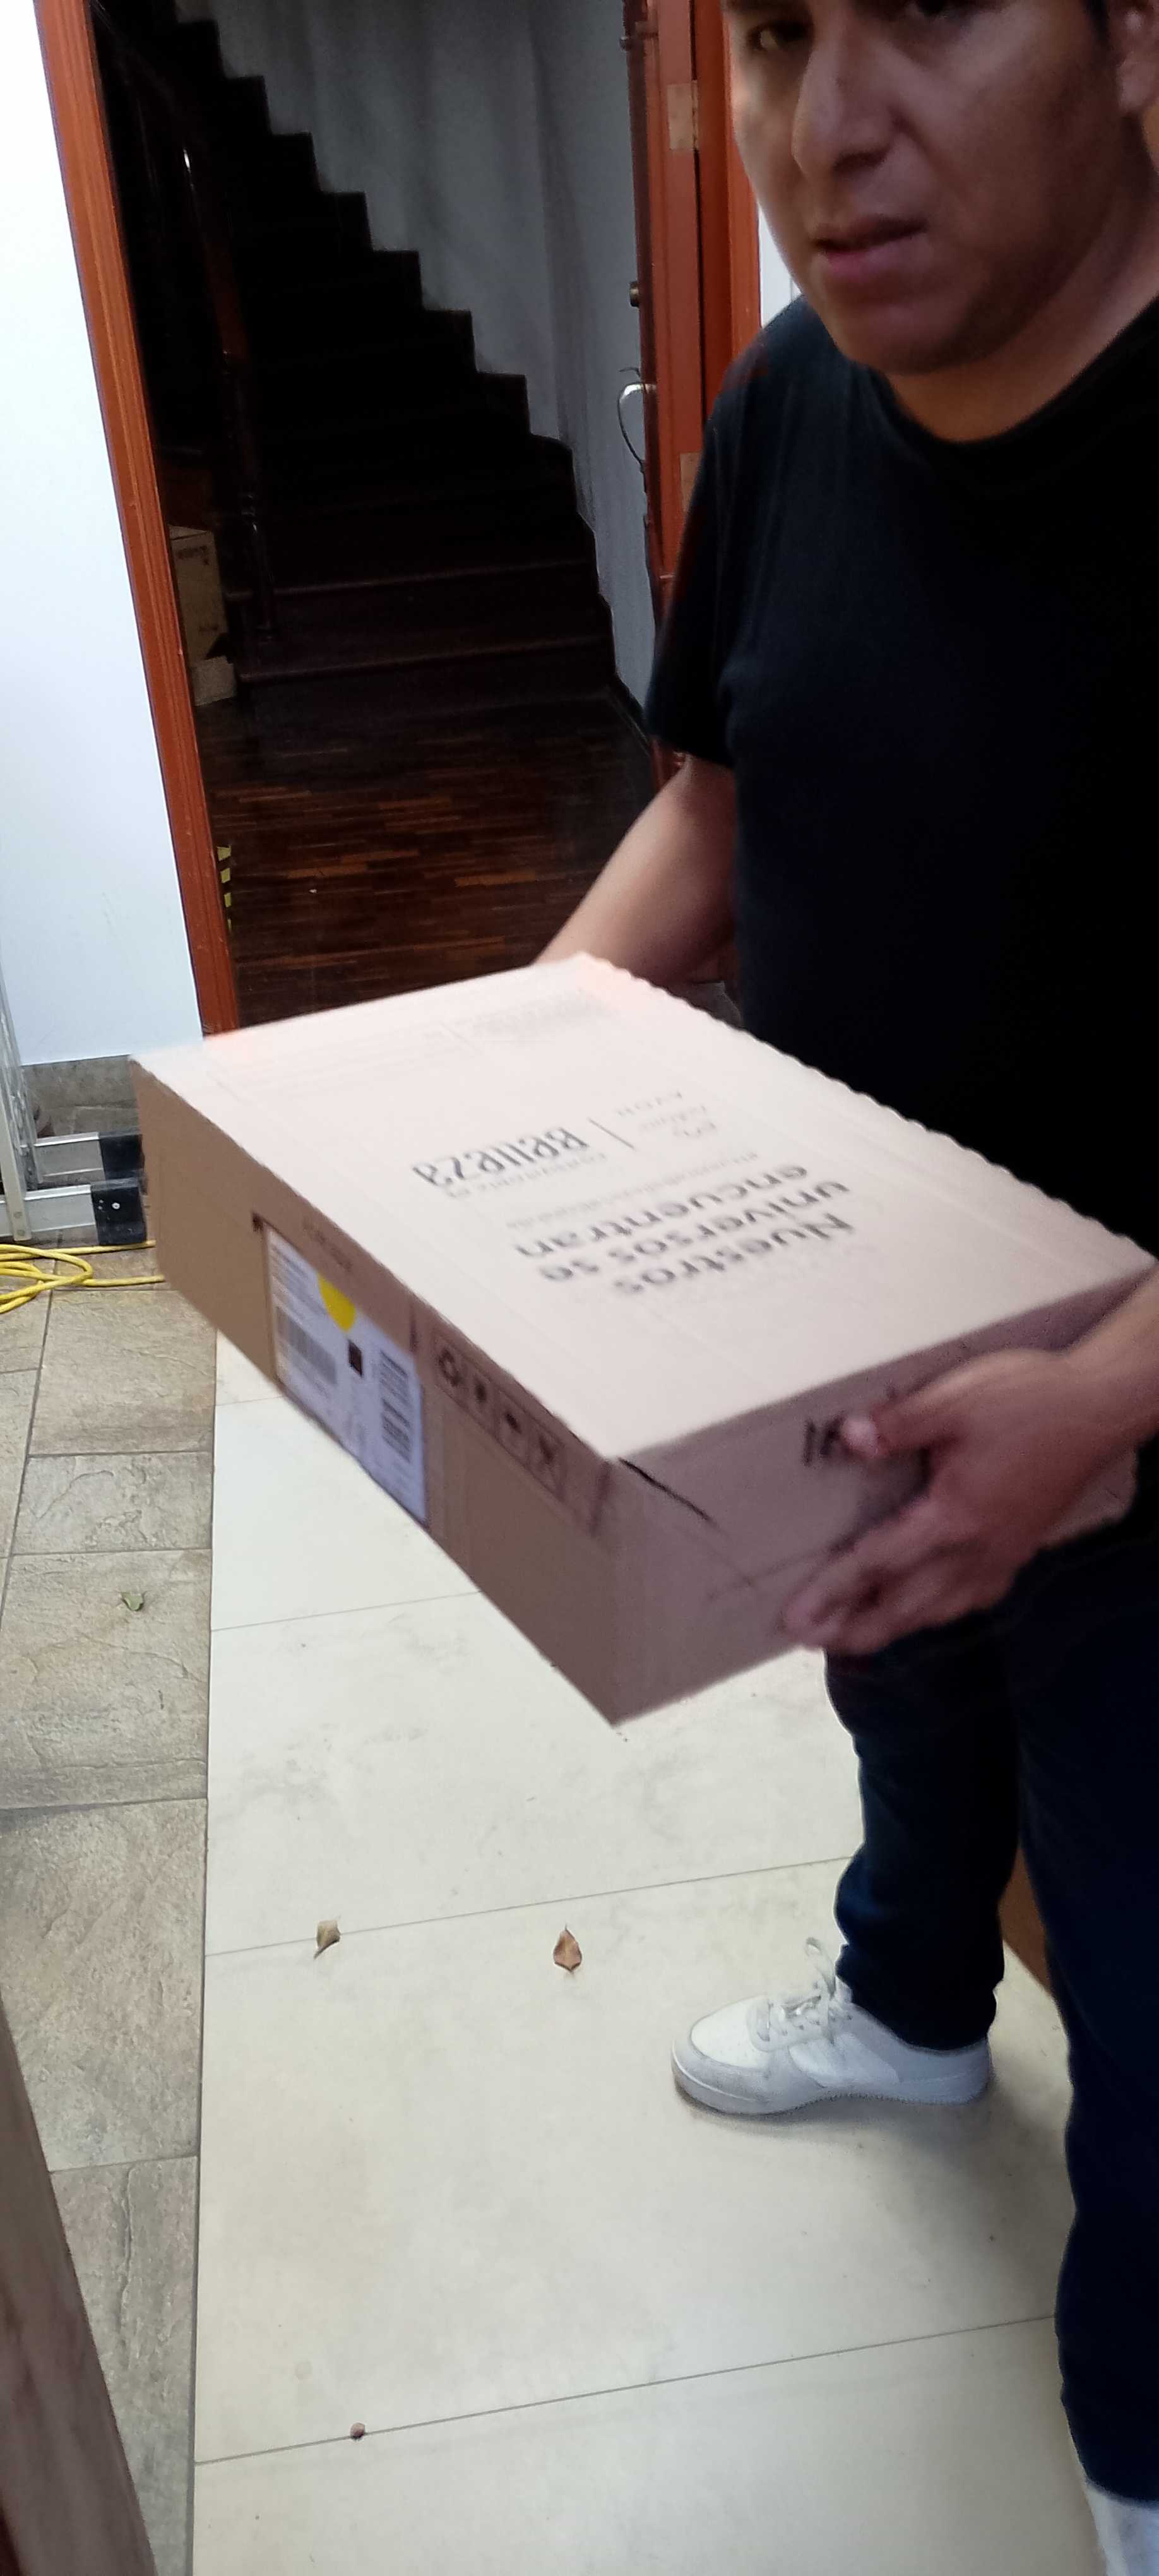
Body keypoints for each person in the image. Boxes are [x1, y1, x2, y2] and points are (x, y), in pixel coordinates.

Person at [542, 2, 1159, 2567]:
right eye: (782, 31)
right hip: (858, 1350)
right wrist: (508, 1094)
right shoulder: (796, 400)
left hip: (1134, 1428)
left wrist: (1103, 1406)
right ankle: (911, 2008)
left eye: (930, 8)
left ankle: (1142, 2456)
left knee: (1153, 1996)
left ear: (1131, 41)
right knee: (899, 1705)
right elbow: (716, 808)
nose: (827, 127)